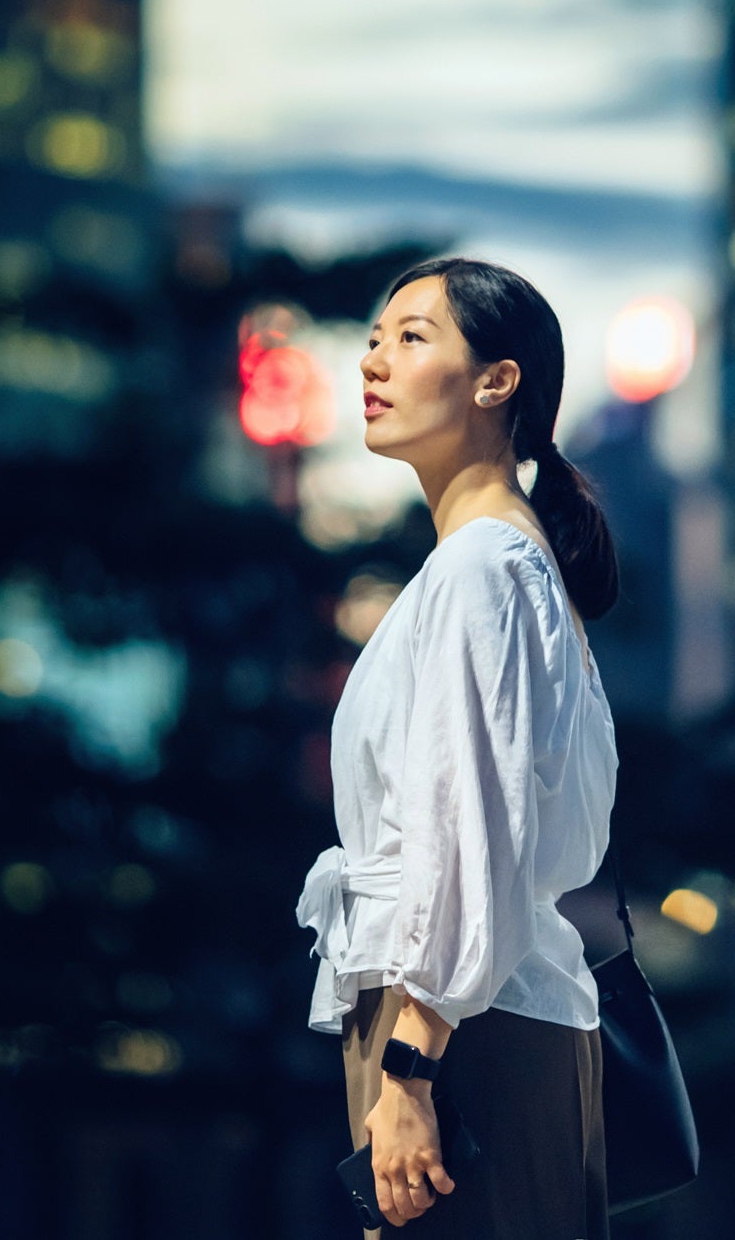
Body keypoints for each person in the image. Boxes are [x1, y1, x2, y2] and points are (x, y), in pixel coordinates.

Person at [294, 257, 622, 1237]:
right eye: (370, 340)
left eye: (411, 337)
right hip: (463, 1021)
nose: (373, 362)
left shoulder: (485, 568)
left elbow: (472, 831)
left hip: (459, 1034)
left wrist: (410, 1065)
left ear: (497, 380)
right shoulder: (490, 565)